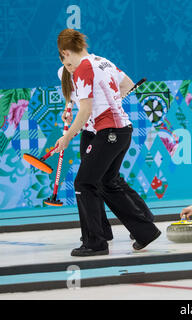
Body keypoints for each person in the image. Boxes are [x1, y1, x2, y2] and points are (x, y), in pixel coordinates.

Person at [55, 29, 160, 256]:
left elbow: (84, 111)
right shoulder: (102, 61)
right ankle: (145, 231)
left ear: (65, 53)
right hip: (122, 131)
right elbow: (128, 84)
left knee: (84, 183)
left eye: (64, 60)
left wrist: (66, 137)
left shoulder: (83, 67)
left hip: (108, 132)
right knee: (106, 183)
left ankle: (95, 242)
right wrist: (113, 101)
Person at [58, 62, 113, 243]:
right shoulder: (63, 73)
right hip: (88, 131)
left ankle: (143, 224)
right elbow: (72, 96)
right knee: (90, 183)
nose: (70, 65)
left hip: (104, 131)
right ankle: (100, 230)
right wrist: (67, 110)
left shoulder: (89, 69)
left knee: (98, 181)